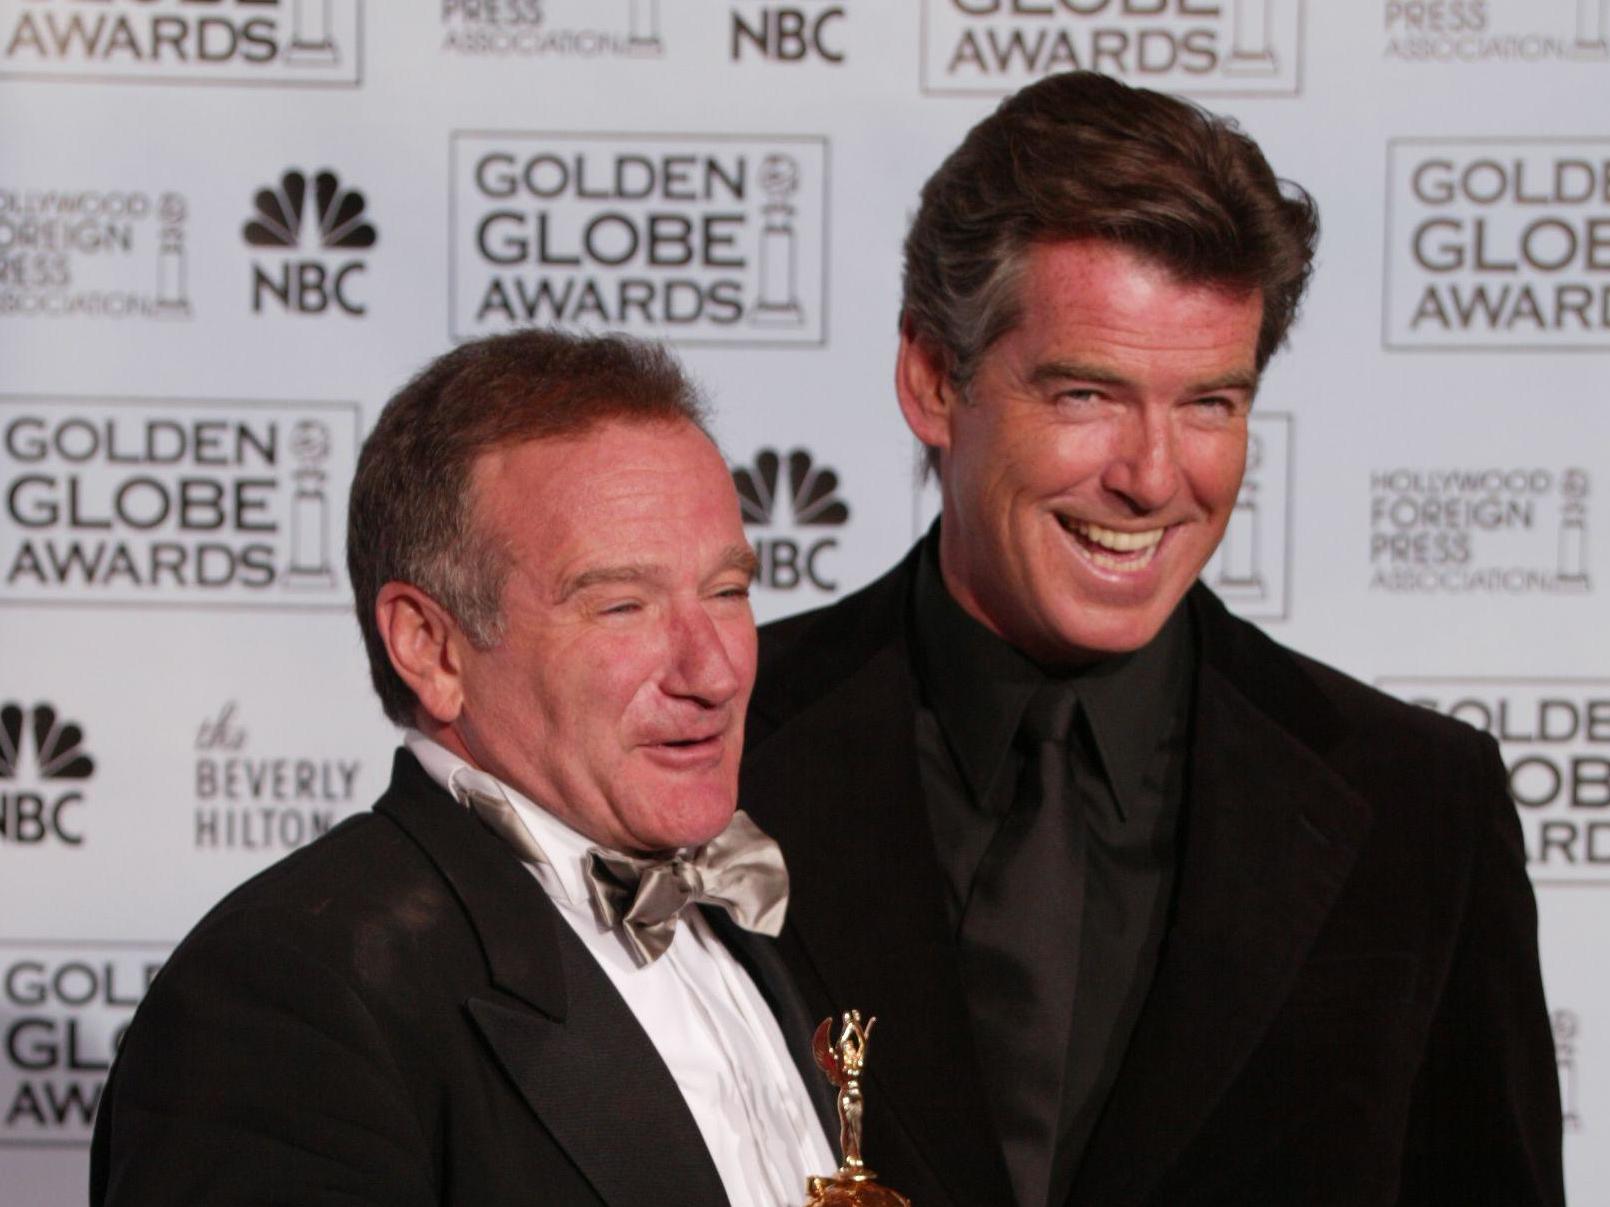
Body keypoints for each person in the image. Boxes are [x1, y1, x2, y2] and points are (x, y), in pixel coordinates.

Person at [741, 71, 1563, 1207]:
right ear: (934, 379)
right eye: (1085, 395)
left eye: (1209, 405)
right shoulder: (709, 749)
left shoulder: (1418, 808)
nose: (1151, 477)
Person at [90, 330, 837, 1207]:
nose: (712, 671)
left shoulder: (760, 921)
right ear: (430, 646)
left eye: (727, 591)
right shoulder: (287, 1000)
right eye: (622, 606)